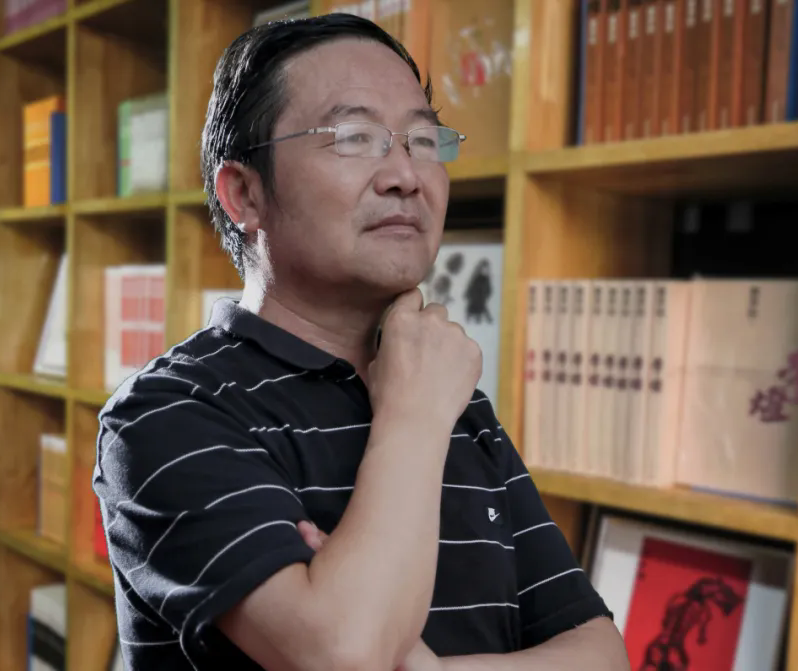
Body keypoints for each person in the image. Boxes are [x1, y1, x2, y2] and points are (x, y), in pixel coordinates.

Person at [92, 12, 628, 671]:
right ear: (245, 194)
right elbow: (344, 655)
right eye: (354, 137)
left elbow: (601, 652)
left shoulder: (450, 398)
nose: (406, 174)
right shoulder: (165, 415)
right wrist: (413, 418)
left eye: (423, 141)